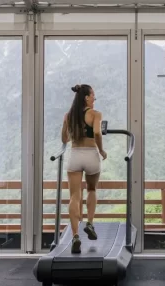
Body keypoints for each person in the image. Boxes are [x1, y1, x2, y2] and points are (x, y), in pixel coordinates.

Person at [61, 84, 107, 254]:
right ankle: (89, 223)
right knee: (92, 189)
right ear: (87, 97)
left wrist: (71, 128)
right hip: (91, 155)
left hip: (75, 154)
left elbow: (64, 138)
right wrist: (101, 150)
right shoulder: (95, 114)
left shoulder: (69, 115)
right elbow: (96, 133)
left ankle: (75, 236)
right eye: (93, 95)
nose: (95, 98)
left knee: (74, 196)